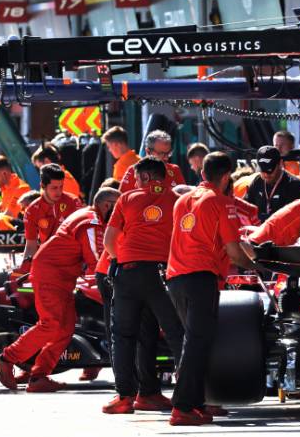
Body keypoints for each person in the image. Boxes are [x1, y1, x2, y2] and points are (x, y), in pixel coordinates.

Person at [0, 187, 120, 393]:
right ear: (107, 206)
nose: (120, 214)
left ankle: (39, 376)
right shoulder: (91, 223)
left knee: (65, 328)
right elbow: (97, 261)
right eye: (118, 208)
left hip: (59, 276)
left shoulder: (87, 216)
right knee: (51, 324)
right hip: (52, 276)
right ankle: (6, 359)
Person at [165, 151, 255, 426]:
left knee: (194, 342)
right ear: (227, 177)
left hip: (176, 278)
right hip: (201, 277)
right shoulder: (221, 202)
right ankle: (182, 406)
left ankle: (195, 403)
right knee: (197, 343)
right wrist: (257, 266)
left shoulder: (182, 200)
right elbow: (234, 251)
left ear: (203, 173)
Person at [101, 158, 183, 414]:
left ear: (145, 177)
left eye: (137, 179)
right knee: (175, 333)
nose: (136, 184)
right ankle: (188, 395)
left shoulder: (126, 198)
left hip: (128, 272)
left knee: (124, 336)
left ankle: (124, 396)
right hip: (162, 274)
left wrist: (121, 259)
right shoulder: (177, 200)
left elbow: (108, 241)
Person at [20, 164, 83, 269]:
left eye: (61, 187)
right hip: (48, 260)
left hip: (73, 259)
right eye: (54, 188)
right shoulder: (32, 210)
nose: (59, 192)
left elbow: (82, 238)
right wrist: (24, 268)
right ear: (42, 186)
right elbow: (31, 245)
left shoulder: (74, 202)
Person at [242, 146, 300, 221]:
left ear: (280, 163)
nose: (266, 174)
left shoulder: (294, 185)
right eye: (263, 170)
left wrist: (260, 218)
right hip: (260, 227)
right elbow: (244, 208)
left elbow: (290, 218)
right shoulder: (257, 181)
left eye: (269, 170)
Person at [118, 130, 185, 192]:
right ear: (148, 151)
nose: (166, 158)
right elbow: (120, 198)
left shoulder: (175, 169)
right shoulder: (133, 171)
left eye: (168, 153)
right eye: (161, 153)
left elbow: (184, 196)